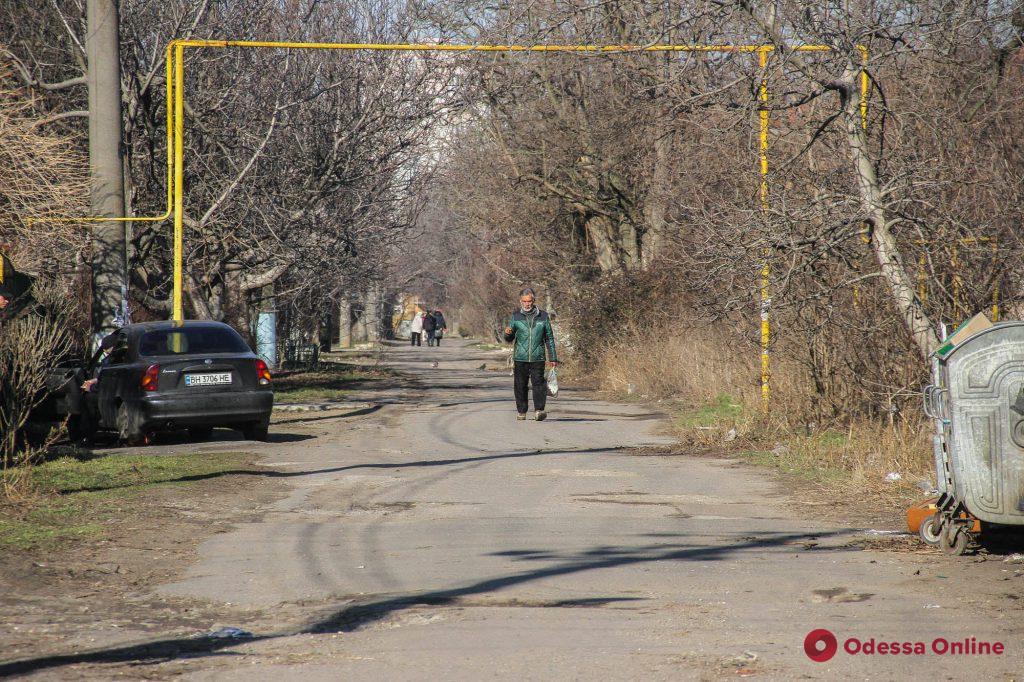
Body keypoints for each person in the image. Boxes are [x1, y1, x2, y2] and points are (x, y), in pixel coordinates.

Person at [503, 287, 558, 421]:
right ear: (521, 301)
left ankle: (539, 410)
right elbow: (509, 339)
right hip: (520, 357)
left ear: (533, 300)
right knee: (520, 385)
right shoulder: (516, 317)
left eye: (529, 301)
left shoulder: (543, 316)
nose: (527, 304)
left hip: (538, 357)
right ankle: (522, 411)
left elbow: (549, 338)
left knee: (538, 384)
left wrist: (553, 357)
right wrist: (507, 333)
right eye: (524, 301)